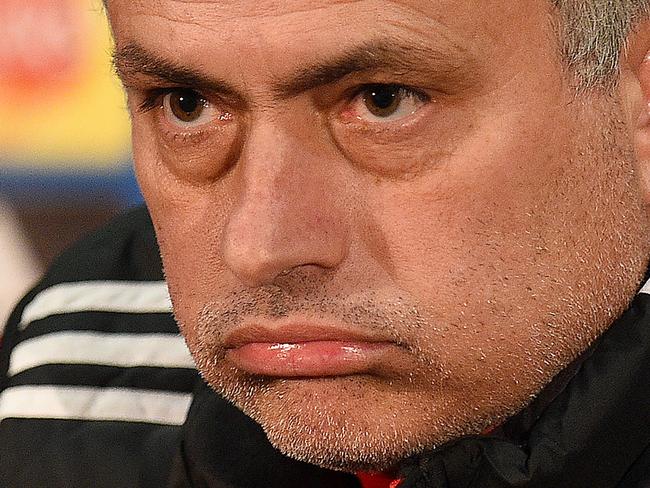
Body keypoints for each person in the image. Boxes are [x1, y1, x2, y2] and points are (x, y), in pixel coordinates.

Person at [2, 0, 650, 486]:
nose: (258, 248)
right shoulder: (79, 358)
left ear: (640, 98)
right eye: (187, 103)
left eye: (383, 101)